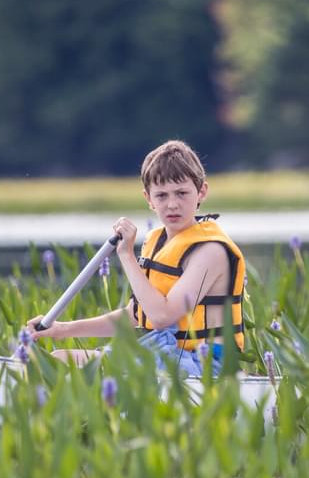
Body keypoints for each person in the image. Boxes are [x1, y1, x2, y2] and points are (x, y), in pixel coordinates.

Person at [25, 140, 246, 376]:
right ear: (148, 199)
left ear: (201, 191)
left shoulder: (209, 251)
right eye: (161, 195)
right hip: (165, 352)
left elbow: (161, 317)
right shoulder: (157, 240)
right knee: (60, 358)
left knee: (66, 364)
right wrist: (62, 329)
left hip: (206, 365)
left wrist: (126, 255)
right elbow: (135, 315)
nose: (172, 204)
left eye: (182, 193)